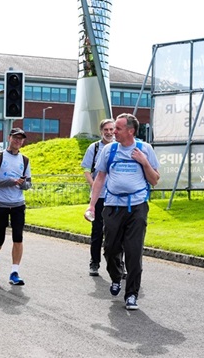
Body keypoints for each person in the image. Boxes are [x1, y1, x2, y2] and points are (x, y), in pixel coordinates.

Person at [86, 113, 160, 310]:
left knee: (134, 252)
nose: (113, 132)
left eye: (117, 129)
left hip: (137, 207)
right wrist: (92, 205)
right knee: (110, 249)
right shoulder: (109, 150)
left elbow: (154, 180)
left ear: (130, 131)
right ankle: (116, 276)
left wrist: (144, 162)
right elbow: (100, 178)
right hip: (112, 206)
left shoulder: (145, 149)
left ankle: (132, 294)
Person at [0, 128, 32, 285]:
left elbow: (28, 183)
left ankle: (14, 272)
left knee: (18, 238)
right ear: (9, 138)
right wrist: (9, 181)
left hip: (18, 204)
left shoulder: (24, 160)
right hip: (0, 204)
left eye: (21, 139)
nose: (18, 141)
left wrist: (23, 184)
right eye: (15, 138)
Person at [81, 119, 115, 276]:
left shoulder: (118, 147)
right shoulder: (94, 148)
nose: (108, 132)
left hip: (115, 197)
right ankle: (94, 262)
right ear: (101, 131)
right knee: (97, 232)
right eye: (105, 130)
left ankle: (117, 265)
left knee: (116, 232)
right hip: (99, 197)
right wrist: (95, 185)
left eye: (111, 129)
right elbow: (87, 169)